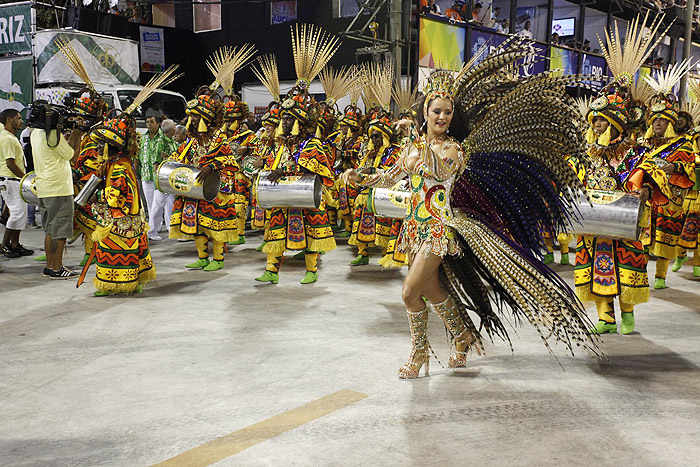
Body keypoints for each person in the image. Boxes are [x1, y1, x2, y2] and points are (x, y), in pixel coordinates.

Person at [346, 51, 598, 379]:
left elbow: (438, 171)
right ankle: (463, 335)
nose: (442, 118)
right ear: (426, 111)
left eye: (448, 113)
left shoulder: (453, 149)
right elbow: (389, 177)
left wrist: (419, 143)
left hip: (439, 230)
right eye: (437, 111)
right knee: (433, 291)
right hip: (413, 230)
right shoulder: (413, 147)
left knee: (409, 292)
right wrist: (359, 178)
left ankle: (419, 351)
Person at [636, 65, 696, 290]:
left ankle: (661, 276)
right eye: (654, 120)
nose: (657, 123)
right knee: (641, 237)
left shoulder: (682, 144)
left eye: (661, 120)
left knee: (665, 238)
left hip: (670, 198)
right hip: (645, 198)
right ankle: (639, 272)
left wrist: (674, 166)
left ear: (670, 122)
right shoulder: (644, 143)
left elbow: (689, 167)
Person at [88, 113, 156, 296]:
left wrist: (98, 195)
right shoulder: (114, 162)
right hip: (124, 215)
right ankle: (109, 283)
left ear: (111, 146)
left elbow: (118, 192)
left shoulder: (119, 166)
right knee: (118, 250)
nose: (99, 146)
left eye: (102, 144)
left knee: (117, 249)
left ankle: (129, 282)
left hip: (122, 216)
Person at [31, 105, 84, 278]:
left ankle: (49, 266)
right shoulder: (52, 135)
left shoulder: (36, 134)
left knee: (50, 230)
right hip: (59, 189)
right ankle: (57, 268)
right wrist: (77, 135)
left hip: (45, 188)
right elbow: (73, 156)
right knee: (60, 232)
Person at [0, 109, 33, 258]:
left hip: (14, 180)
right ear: (9, 119)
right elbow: (10, 163)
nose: (21, 121)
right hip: (9, 180)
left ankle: (15, 244)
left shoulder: (11, 136)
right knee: (17, 213)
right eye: (18, 118)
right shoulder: (7, 138)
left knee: (21, 214)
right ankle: (4, 245)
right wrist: (26, 178)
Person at [147, 118, 177, 240]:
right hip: (162, 179)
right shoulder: (161, 142)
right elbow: (155, 163)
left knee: (170, 204)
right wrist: (159, 179)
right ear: (170, 129)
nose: (175, 129)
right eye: (174, 127)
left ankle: (171, 229)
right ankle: (152, 231)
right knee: (158, 205)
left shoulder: (171, 141)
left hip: (171, 178)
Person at [138, 115, 167, 241]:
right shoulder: (143, 138)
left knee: (158, 203)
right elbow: (138, 155)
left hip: (158, 175)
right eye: (147, 122)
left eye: (151, 122)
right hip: (146, 174)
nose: (149, 124)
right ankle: (154, 227)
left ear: (158, 124)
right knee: (150, 204)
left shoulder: (163, 138)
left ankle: (155, 228)